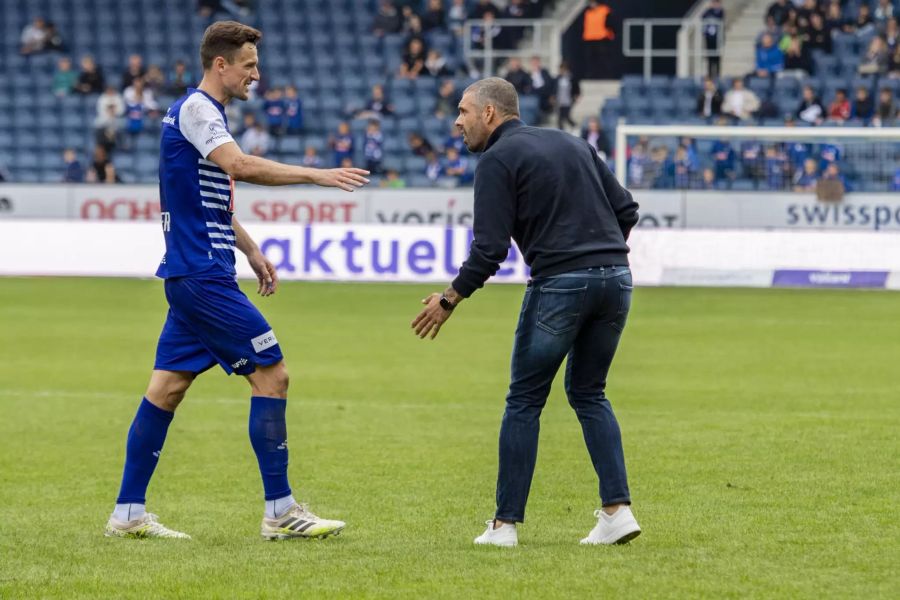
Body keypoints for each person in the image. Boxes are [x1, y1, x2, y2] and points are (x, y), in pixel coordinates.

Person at [104, 20, 369, 541]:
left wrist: (249, 249)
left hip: (194, 272)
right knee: (273, 374)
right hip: (202, 276)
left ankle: (127, 513)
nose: (256, 74)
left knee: (167, 388)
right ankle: (280, 511)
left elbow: (206, 199)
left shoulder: (201, 114)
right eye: (248, 65)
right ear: (220, 65)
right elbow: (239, 165)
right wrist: (317, 175)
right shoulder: (200, 109)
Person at [410, 78, 640, 548]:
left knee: (524, 401)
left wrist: (449, 299)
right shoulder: (574, 144)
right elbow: (627, 209)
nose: (457, 121)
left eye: (463, 111)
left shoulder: (497, 159)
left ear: (490, 114)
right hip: (617, 281)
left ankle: (504, 526)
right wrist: (600, 257)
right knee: (590, 393)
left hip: (561, 285)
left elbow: (490, 249)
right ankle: (617, 512)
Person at [554, 61, 580, 130]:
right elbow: (554, 88)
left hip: (568, 100)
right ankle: (561, 131)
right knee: (559, 118)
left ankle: (574, 126)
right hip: (559, 101)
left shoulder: (571, 78)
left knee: (566, 116)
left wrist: (577, 95)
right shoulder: (558, 78)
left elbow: (576, 88)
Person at [702, 0, 725, 77]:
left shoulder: (721, 11)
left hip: (717, 38)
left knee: (717, 57)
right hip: (709, 38)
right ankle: (710, 74)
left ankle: (717, 74)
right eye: (714, 3)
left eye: (717, 3)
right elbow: (703, 17)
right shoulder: (708, 11)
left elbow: (720, 18)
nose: (715, 5)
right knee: (710, 57)